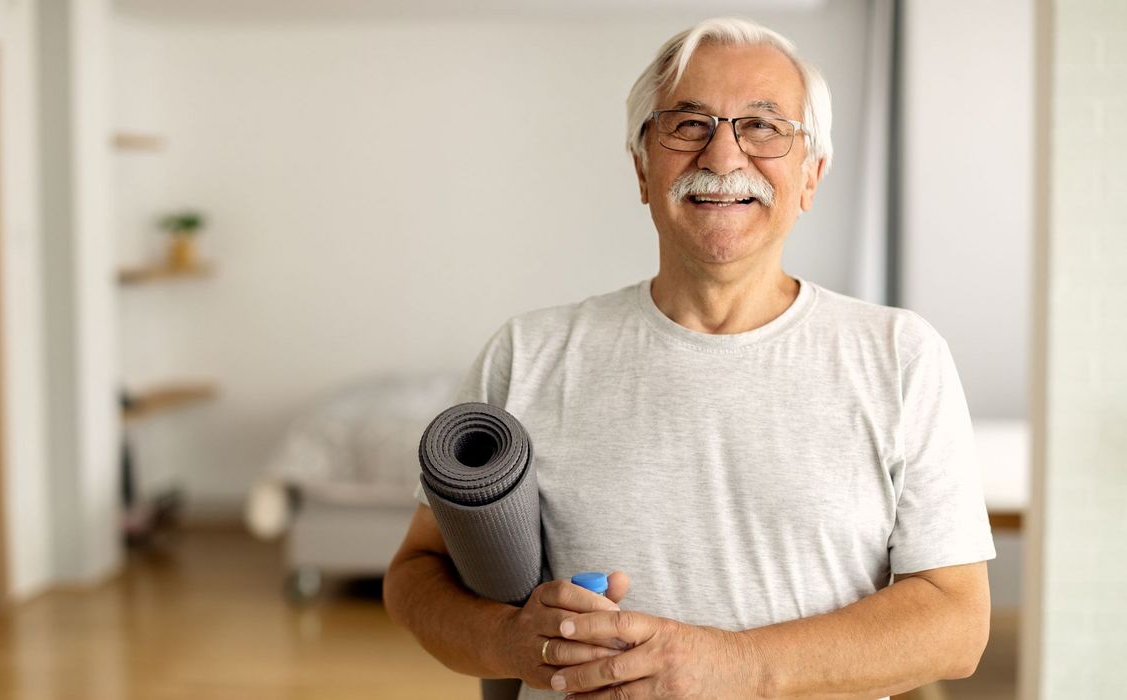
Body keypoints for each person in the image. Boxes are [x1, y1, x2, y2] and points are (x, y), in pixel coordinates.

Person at [383, 17, 995, 700]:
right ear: (643, 167)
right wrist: (505, 642)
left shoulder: (900, 356)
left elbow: (956, 623)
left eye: (763, 127)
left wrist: (733, 666)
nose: (724, 157)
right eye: (688, 123)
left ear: (810, 176)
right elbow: (415, 575)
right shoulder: (528, 353)